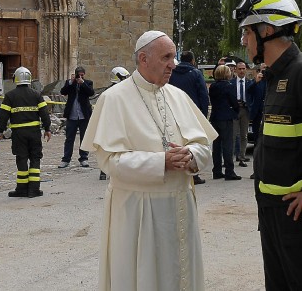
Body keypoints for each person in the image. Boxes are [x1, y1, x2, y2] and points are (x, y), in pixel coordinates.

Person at [81, 30, 218, 291]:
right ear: (143, 58)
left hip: (180, 205)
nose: (173, 64)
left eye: (174, 57)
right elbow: (111, 162)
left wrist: (191, 155)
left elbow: (204, 146)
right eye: (166, 57)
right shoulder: (114, 99)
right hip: (139, 212)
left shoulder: (178, 96)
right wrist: (161, 162)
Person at [236, 0, 302, 290]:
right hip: (272, 209)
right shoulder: (275, 75)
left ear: (268, 30)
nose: (243, 41)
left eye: (247, 32)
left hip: (298, 215)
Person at [0, 66, 52, 197]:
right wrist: (47, 129)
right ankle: (34, 189)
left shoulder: (10, 96)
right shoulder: (36, 95)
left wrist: (0, 130)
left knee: (21, 158)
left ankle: (21, 189)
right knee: (35, 158)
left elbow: (3, 115)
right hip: (34, 132)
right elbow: (44, 113)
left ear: (15, 78)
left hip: (19, 133)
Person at [168, 50, 210, 185]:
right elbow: (203, 96)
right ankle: (193, 173)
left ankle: (176, 165)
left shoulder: (172, 74)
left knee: (177, 140)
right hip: (192, 114)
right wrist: (203, 116)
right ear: (192, 61)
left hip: (174, 112)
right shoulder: (196, 74)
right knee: (192, 144)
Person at [96, 66, 131, 181]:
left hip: (113, 122)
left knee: (112, 146)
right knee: (113, 147)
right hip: (115, 122)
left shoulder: (111, 91)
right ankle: (107, 171)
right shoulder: (117, 91)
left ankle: (105, 171)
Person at [208, 65, 240, 180]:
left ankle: (216, 170)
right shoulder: (229, 86)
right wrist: (237, 110)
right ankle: (229, 171)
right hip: (226, 117)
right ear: (226, 74)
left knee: (216, 146)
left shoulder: (212, 86)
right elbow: (234, 102)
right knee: (227, 144)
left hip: (215, 117)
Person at [57, 66, 94, 168]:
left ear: (84, 75)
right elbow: (63, 92)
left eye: (82, 75)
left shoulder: (88, 83)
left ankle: (84, 158)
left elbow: (91, 92)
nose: (80, 77)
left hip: (83, 115)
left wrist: (82, 83)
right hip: (72, 115)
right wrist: (71, 82)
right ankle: (66, 159)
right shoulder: (70, 83)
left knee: (84, 138)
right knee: (69, 138)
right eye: (79, 75)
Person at [231, 61, 253, 166]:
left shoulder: (250, 83)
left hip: (245, 110)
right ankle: (230, 158)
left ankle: (242, 157)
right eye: (239, 69)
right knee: (234, 135)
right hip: (235, 110)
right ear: (235, 70)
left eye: (243, 69)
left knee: (244, 135)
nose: (241, 71)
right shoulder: (231, 83)